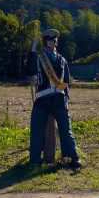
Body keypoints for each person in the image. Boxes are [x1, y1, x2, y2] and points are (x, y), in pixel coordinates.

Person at [26, 28, 81, 168]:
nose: (51, 41)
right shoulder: (39, 59)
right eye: (48, 39)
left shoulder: (62, 60)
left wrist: (67, 97)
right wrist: (32, 52)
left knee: (66, 130)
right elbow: (30, 70)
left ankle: (74, 157)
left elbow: (66, 80)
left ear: (56, 42)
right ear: (45, 42)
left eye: (53, 39)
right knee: (37, 131)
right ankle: (34, 161)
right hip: (42, 100)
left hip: (59, 100)